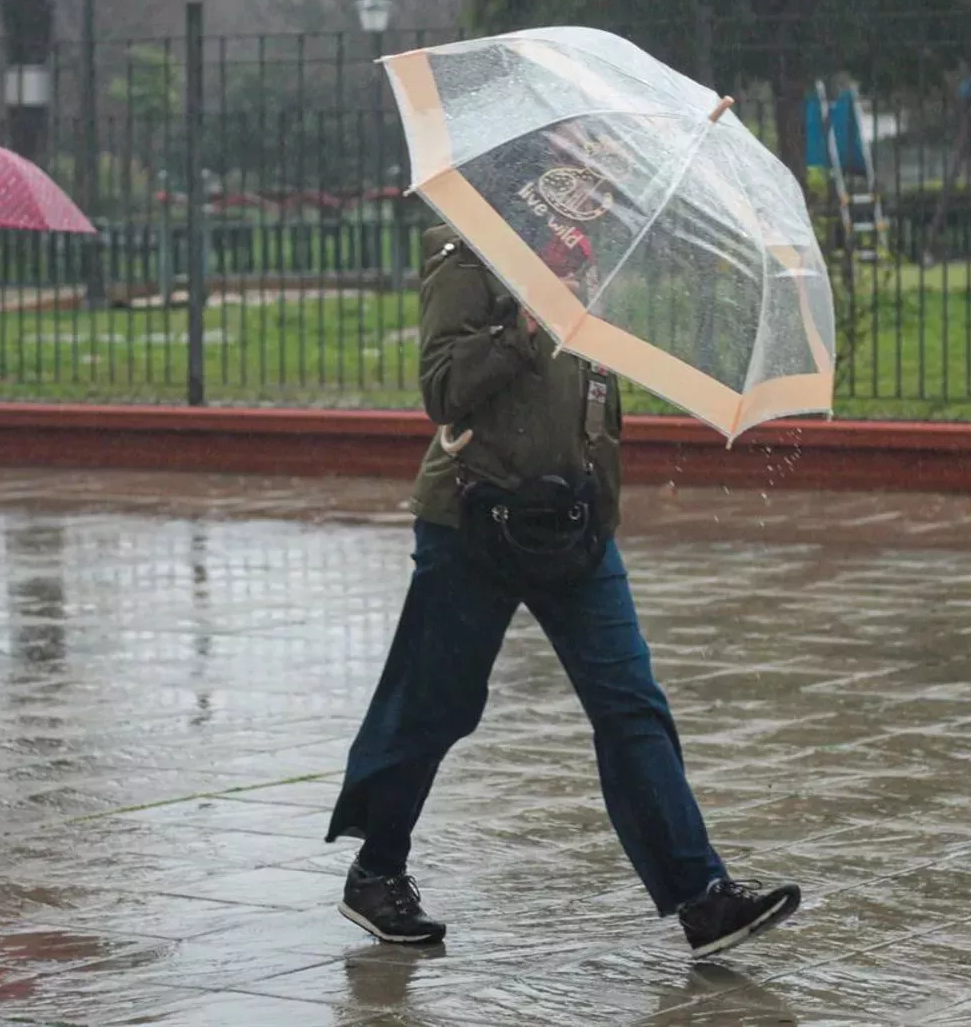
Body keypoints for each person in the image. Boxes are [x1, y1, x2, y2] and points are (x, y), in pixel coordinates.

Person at [325, 220, 801, 958]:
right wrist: (526, 323)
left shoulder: (595, 257)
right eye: (573, 158)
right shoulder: (468, 250)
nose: (587, 175)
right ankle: (377, 871)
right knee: (435, 706)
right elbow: (442, 387)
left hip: (574, 525)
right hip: (473, 521)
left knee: (630, 702)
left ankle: (701, 898)